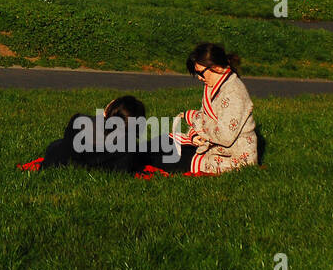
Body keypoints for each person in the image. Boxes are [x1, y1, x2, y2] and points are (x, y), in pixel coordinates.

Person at [173, 42, 258, 176]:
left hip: (233, 158)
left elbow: (224, 136)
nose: (199, 78)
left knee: (167, 159)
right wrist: (194, 134)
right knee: (163, 143)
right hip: (211, 147)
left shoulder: (234, 92)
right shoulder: (212, 86)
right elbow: (204, 116)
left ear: (216, 67)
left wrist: (194, 118)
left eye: (200, 73)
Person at [21, 95, 153, 173]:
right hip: (95, 158)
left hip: (64, 158)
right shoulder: (128, 150)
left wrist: (104, 116)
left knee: (56, 144)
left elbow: (65, 151)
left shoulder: (79, 122)